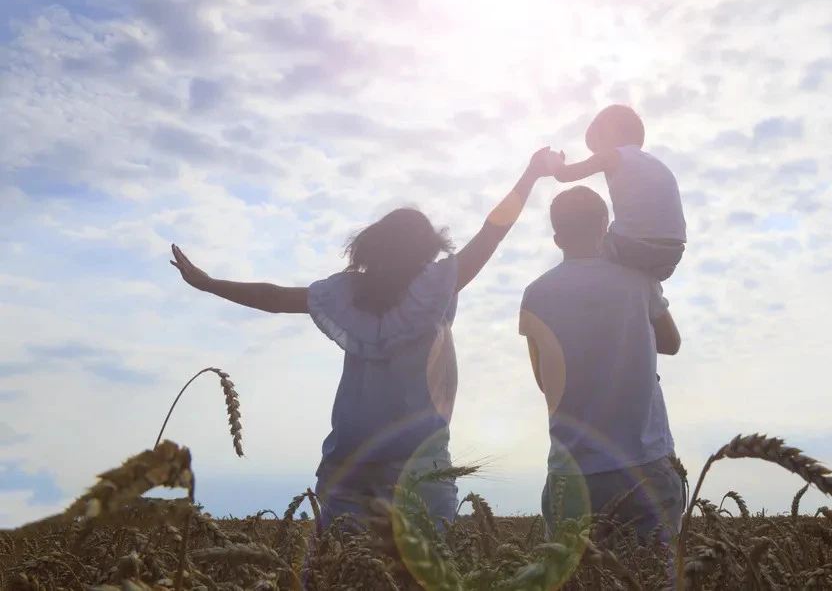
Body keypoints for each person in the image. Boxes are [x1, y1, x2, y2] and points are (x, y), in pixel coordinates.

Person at [168, 147, 558, 535]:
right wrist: (530, 175)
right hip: (419, 466)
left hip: (349, 462)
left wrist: (208, 283)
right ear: (427, 250)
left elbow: (272, 297)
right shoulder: (435, 287)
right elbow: (493, 231)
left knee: (338, 572)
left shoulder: (346, 293)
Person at [518, 185, 684, 586]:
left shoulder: (535, 294)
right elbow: (672, 344)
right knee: (653, 580)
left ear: (557, 237)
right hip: (645, 460)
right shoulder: (638, 280)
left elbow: (545, 383)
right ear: (605, 226)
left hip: (572, 471)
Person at [550, 104, 686, 281]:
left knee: (583, 248)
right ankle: (655, 302)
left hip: (633, 245)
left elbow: (563, 174)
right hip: (672, 254)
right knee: (640, 284)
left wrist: (553, 159)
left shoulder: (613, 155)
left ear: (607, 131)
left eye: (596, 147)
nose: (597, 154)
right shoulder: (657, 164)